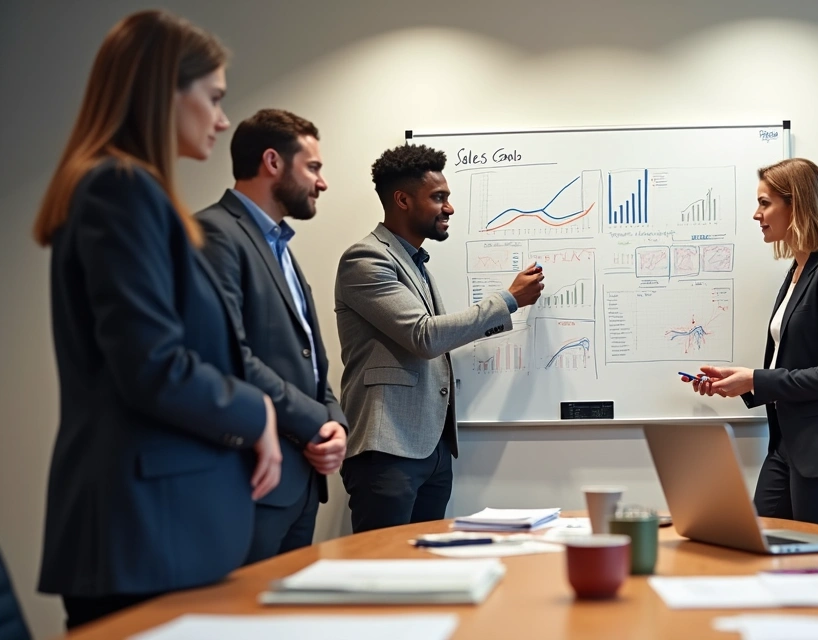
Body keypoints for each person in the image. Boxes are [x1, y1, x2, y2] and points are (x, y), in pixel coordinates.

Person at [31, 10, 280, 629]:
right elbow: (152, 364)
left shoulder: (128, 191)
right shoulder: (120, 188)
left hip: (159, 530)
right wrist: (259, 412)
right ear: (166, 87)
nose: (223, 118)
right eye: (214, 97)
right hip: (144, 531)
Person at [335, 143, 545, 532]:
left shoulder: (415, 262)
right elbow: (424, 337)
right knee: (385, 575)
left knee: (422, 571)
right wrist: (508, 301)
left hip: (430, 449)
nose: (449, 208)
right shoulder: (366, 259)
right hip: (388, 450)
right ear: (402, 200)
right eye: (438, 198)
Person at [195, 109, 348, 564]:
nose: (322, 183)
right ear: (273, 163)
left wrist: (335, 420)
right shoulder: (215, 233)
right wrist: (313, 422)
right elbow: (228, 354)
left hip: (301, 481)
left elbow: (309, 357)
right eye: (314, 167)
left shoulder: (278, 245)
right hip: (252, 479)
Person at [686, 158, 818, 528]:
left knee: (816, 572)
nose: (756, 214)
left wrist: (756, 380)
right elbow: (793, 360)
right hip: (786, 447)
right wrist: (740, 381)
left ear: (797, 204)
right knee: (762, 548)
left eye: (765, 203)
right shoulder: (798, 271)